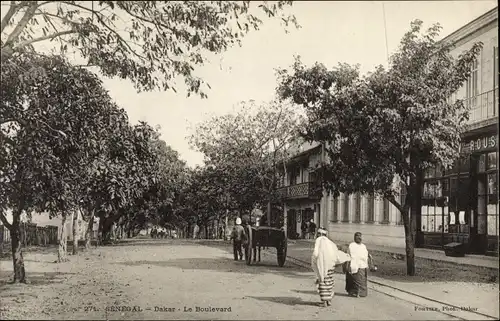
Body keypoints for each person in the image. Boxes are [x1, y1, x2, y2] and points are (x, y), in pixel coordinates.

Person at [311, 227, 350, 307]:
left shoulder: (318, 241)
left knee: (322, 282)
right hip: (331, 266)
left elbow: (315, 254)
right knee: (329, 282)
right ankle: (329, 300)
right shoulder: (330, 243)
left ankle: (324, 302)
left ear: (319, 234)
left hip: (322, 266)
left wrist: (315, 262)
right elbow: (336, 254)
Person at [344, 232, 371, 297]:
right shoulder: (351, 245)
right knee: (351, 280)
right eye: (357, 236)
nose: (359, 238)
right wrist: (347, 266)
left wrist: (367, 262)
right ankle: (352, 292)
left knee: (361, 281)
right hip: (353, 265)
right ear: (354, 237)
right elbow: (348, 256)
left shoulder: (363, 246)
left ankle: (360, 293)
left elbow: (365, 256)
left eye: (360, 236)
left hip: (362, 266)